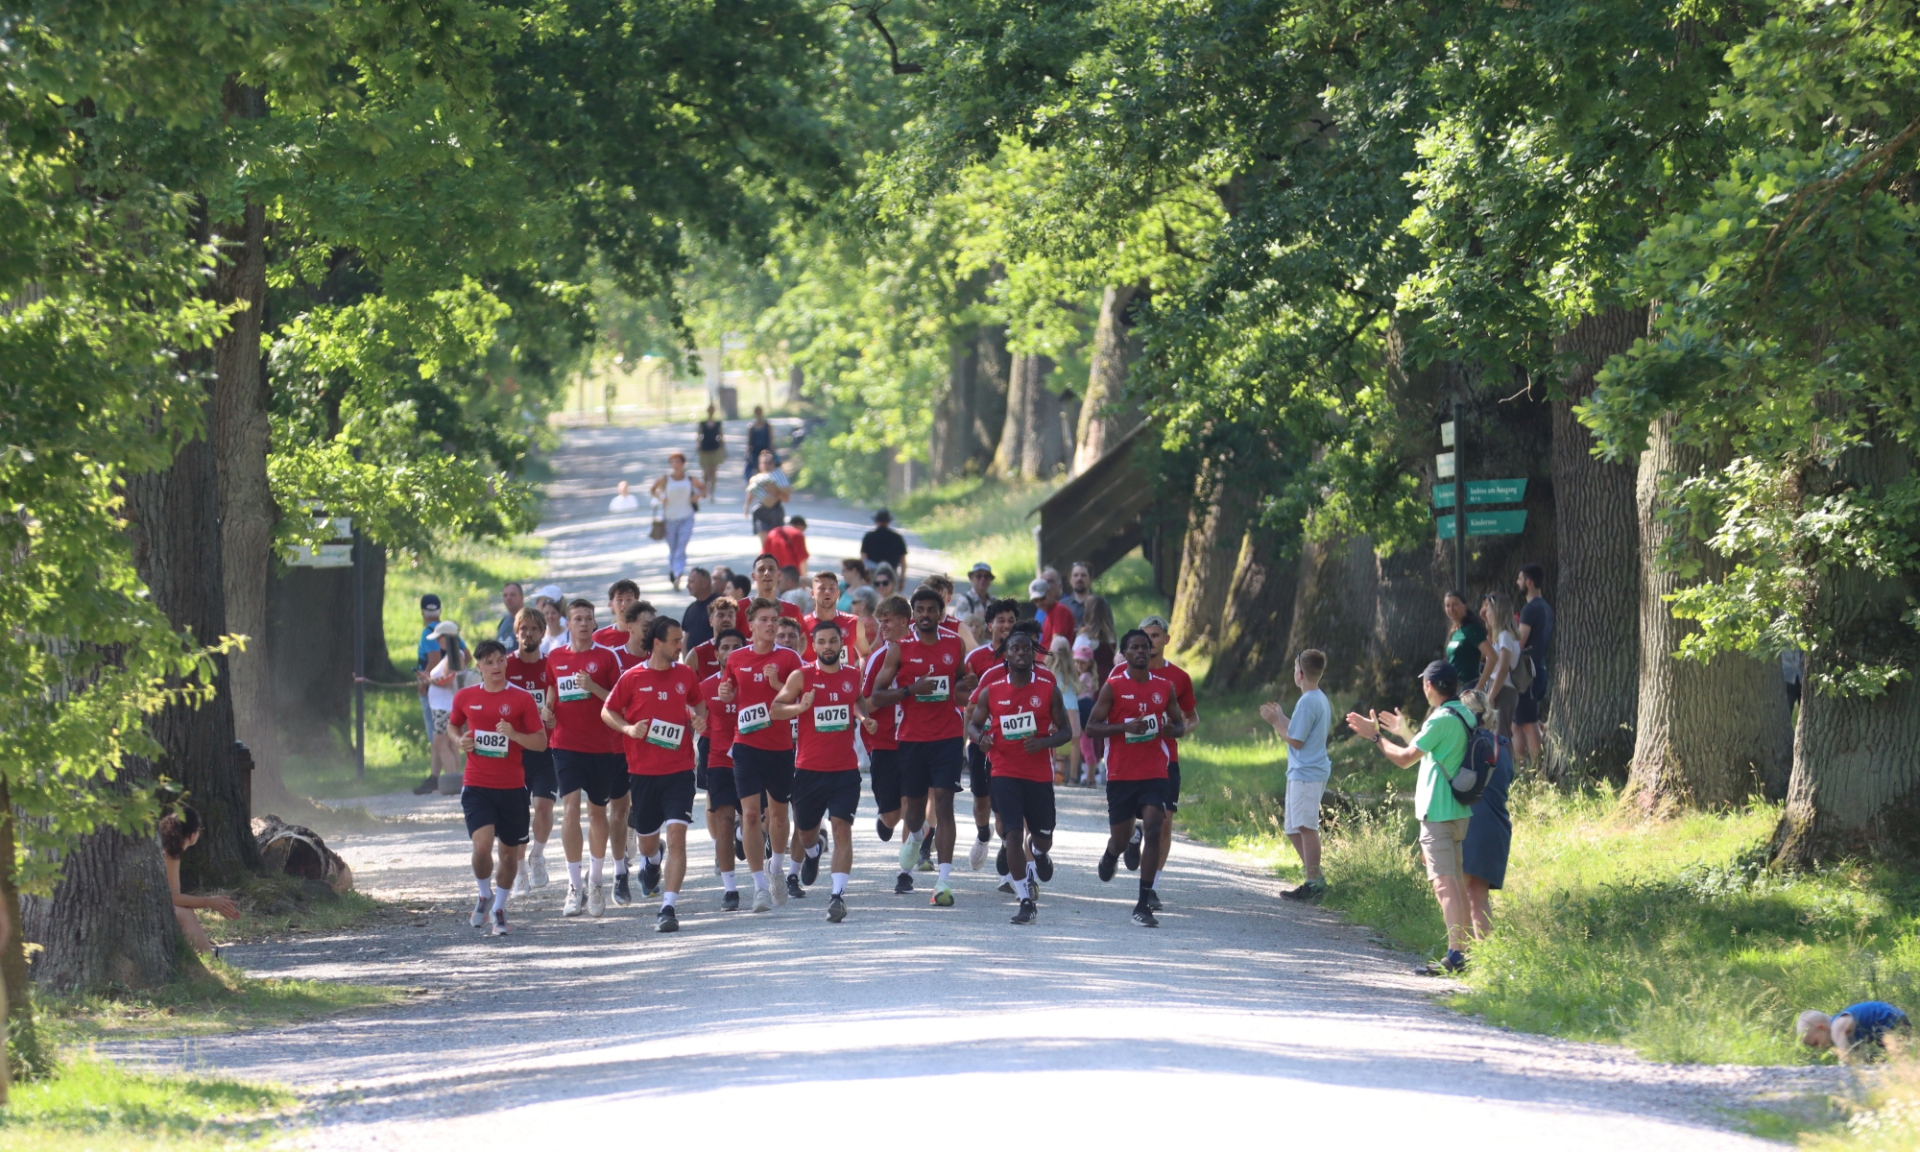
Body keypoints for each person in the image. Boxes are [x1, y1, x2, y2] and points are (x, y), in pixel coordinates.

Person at [1344, 660, 1479, 974]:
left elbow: (1405, 760)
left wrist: (1375, 737)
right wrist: (1404, 731)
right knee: (1456, 884)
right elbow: (1436, 750)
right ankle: (1466, 951)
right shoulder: (1465, 714)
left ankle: (1456, 955)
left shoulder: (1440, 719)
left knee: (1444, 885)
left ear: (1429, 686)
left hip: (1438, 813)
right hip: (1459, 812)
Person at [873, 586, 977, 906]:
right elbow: (877, 695)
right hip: (912, 739)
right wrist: (910, 690)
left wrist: (969, 687)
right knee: (915, 812)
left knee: (944, 803)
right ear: (913, 615)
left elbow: (959, 686)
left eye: (932, 609)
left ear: (940, 613)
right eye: (920, 610)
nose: (926, 615)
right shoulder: (899, 649)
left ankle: (943, 881)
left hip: (947, 737)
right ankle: (917, 837)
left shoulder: (954, 643)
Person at [602, 617, 706, 933]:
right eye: (675, 641)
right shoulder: (633, 677)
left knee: (677, 837)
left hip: (680, 771)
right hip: (643, 772)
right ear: (657, 643)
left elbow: (699, 705)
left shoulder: (685, 675)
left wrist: (699, 720)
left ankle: (668, 907)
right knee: (647, 843)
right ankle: (652, 857)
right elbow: (607, 711)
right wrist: (628, 729)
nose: (680, 646)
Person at [772, 618, 877, 921]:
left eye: (833, 641)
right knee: (805, 834)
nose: (828, 647)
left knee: (842, 828)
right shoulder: (801, 676)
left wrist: (863, 718)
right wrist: (799, 708)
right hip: (809, 770)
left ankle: (837, 896)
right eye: (822, 642)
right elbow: (775, 710)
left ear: (841, 644)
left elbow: (856, 699)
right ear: (813, 645)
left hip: (845, 770)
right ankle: (813, 851)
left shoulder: (852, 674)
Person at [967, 629, 1073, 925]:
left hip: (1038, 774)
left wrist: (1044, 742)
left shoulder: (1048, 690)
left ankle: (1038, 851)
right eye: (1015, 649)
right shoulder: (992, 690)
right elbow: (974, 726)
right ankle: (1025, 899)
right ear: (1006, 654)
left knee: (1043, 837)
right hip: (1004, 770)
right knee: (1012, 833)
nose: (1021, 653)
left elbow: (1066, 731)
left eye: (1026, 648)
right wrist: (981, 739)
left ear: (1033, 653)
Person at [449, 639, 548, 936]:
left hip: (513, 787)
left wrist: (515, 735)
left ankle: (500, 908)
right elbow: (453, 725)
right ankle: (484, 894)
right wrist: (460, 740)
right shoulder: (466, 696)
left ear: (506, 662)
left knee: (508, 854)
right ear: (478, 666)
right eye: (489, 662)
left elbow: (541, 742)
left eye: (500, 660)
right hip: (477, 784)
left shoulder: (521, 699)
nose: (496, 666)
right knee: (481, 846)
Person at [1086, 629, 1185, 927]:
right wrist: (1124, 727)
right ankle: (1112, 853)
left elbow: (1179, 725)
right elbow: (1091, 728)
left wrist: (1170, 729)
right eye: (1135, 647)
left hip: (1154, 771)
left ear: (1151, 650)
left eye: (1145, 646)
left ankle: (1143, 904)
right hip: (1121, 774)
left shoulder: (1165, 687)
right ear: (1125, 654)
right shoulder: (1113, 687)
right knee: (1120, 838)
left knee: (1154, 828)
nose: (1141, 651)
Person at [717, 598, 805, 913]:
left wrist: (777, 683)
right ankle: (758, 887)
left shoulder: (789, 657)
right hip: (746, 747)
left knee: (779, 817)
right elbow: (727, 689)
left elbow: (804, 697)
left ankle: (776, 868)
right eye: (764, 620)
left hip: (780, 748)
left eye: (774, 620)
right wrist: (725, 692)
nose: (770, 625)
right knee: (751, 815)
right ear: (751, 626)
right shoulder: (737, 658)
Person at [546, 598, 626, 918]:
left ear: (594, 623)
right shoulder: (555, 657)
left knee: (596, 814)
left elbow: (619, 701)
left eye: (587, 618)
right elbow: (552, 691)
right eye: (577, 618)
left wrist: (593, 686)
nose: (582, 623)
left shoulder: (606, 657)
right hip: (565, 744)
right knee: (569, 809)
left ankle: (595, 882)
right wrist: (547, 711)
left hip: (601, 747)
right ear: (567, 624)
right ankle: (574, 885)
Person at [1125, 616, 1196, 903]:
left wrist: (1179, 730)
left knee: (1164, 824)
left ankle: (1151, 885)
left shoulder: (1179, 677)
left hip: (1165, 759)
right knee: (1126, 818)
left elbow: (1192, 717)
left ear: (1166, 639)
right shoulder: (1121, 673)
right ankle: (1132, 836)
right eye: (1144, 636)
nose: (1149, 642)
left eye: (1155, 636)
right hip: (1130, 758)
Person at [1261, 650, 1331, 900]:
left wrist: (1274, 722)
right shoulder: (1314, 698)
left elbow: (1296, 740)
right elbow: (1299, 730)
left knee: (1305, 826)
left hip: (1307, 773)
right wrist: (1281, 717)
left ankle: (1313, 882)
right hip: (1302, 771)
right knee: (1293, 828)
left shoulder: (1309, 701)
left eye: (1294, 668)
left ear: (1300, 673)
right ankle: (1316, 877)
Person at [961, 598, 1021, 868]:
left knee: (1004, 800)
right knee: (981, 799)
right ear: (990, 626)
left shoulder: (1024, 657)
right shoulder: (975, 658)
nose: (1006, 625)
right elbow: (962, 698)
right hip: (981, 739)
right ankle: (983, 835)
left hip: (1010, 742)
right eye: (1001, 621)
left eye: (1011, 620)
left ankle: (1008, 846)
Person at [505, 607, 559, 893]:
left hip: (546, 749)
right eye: (523, 628)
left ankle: (537, 855)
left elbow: (562, 703)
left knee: (543, 808)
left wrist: (554, 717)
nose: (528, 634)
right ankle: (520, 869)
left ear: (542, 633)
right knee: (516, 813)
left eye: (534, 629)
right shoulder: (505, 665)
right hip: (514, 751)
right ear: (516, 632)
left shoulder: (551, 665)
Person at [1458, 687, 1514, 940]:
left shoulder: (1466, 745)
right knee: (1479, 896)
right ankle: (1484, 954)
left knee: (1457, 891)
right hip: (1497, 826)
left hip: (1471, 824)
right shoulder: (1502, 746)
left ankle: (1459, 950)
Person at [698, 628, 747, 910]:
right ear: (716, 654)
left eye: (736, 647)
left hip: (753, 759)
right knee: (725, 822)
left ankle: (745, 838)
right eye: (725, 647)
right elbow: (695, 719)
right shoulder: (705, 687)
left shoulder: (756, 683)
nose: (730, 652)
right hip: (719, 761)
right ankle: (730, 890)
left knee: (756, 820)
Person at [159, 806, 241, 954]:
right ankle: (209, 960)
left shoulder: (168, 851)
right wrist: (209, 902)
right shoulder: (170, 855)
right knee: (186, 914)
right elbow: (173, 898)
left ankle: (202, 957)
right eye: (199, 830)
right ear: (192, 836)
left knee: (185, 911)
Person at [1514, 564, 1554, 771]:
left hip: (1528, 673)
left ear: (1529, 582)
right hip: (1540, 669)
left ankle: (1538, 772)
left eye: (1520, 579)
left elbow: (1519, 643)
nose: (1517, 582)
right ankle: (1521, 770)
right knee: (1517, 723)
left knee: (1528, 723)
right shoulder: (1546, 607)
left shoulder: (1530, 609)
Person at [651, 451, 706, 590]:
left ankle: (678, 574)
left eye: (678, 461)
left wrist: (697, 496)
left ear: (683, 463)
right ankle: (673, 569)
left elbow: (703, 488)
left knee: (681, 547)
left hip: (687, 517)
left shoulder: (689, 479)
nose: (675, 464)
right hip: (669, 518)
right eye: (672, 462)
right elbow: (653, 489)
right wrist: (660, 497)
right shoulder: (665, 479)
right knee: (673, 548)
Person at [423, 621, 465, 796]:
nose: (437, 641)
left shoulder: (454, 656)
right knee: (449, 744)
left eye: (439, 637)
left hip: (444, 707)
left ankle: (453, 781)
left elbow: (448, 681)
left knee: (440, 743)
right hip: (444, 706)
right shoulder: (451, 656)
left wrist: (428, 680)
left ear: (447, 638)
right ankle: (456, 781)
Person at [1799, 1002, 1912, 1063]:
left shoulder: (1837, 1027)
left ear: (1822, 1028)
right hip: (1894, 1020)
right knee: (1887, 1060)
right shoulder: (1846, 1034)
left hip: (1891, 1021)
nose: (1818, 1048)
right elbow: (1860, 1057)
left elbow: (1845, 1054)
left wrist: (1845, 1065)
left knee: (1898, 1060)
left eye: (1815, 1043)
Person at [1480, 590, 1521, 738]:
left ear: (1497, 612)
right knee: (1493, 734)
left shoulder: (1505, 636)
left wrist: (1491, 696)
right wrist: (1486, 623)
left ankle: (1505, 757)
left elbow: (1503, 669)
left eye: (1489, 610)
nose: (1486, 613)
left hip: (1503, 689)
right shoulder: (1501, 635)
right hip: (1498, 687)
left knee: (1500, 736)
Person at [803, 570, 869, 661]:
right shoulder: (802, 624)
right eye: (822, 588)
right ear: (812, 594)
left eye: (831, 588)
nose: (827, 592)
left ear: (838, 594)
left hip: (845, 671)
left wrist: (861, 669)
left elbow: (865, 655)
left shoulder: (854, 622)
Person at [684, 596, 740, 682]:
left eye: (730, 615)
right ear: (711, 621)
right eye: (721, 615)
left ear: (735, 619)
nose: (726, 619)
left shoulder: (748, 648)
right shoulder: (696, 655)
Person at [1443, 589, 1490, 688]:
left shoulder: (1472, 628)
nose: (1451, 609)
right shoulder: (1456, 631)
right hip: (1455, 688)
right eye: (1447, 605)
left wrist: (1480, 685)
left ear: (1465, 606)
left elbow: (1492, 657)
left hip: (1470, 686)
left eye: (1455, 604)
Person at [744, 449, 791, 545]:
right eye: (764, 463)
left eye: (770, 463)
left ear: (774, 464)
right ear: (759, 464)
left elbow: (786, 499)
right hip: (761, 512)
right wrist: (746, 506)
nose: (767, 465)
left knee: (776, 543)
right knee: (764, 544)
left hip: (776, 512)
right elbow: (751, 493)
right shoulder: (754, 479)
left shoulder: (779, 479)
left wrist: (775, 490)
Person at [1029, 577, 1076, 655]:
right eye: (1036, 600)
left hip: (1054, 661)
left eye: (1042, 598)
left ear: (1050, 592)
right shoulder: (1049, 612)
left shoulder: (1059, 610)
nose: (1039, 603)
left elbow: (1057, 646)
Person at [1077, 594, 1118, 683]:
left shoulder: (1084, 637)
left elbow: (1076, 660)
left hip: (1090, 681)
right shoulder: (1112, 635)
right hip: (1110, 679)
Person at [861, 509, 908, 578]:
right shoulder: (897, 537)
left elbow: (863, 558)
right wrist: (902, 577)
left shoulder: (869, 536)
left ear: (876, 522)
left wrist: (862, 575)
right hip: (891, 572)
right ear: (888, 522)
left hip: (872, 571)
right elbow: (903, 560)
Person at [681, 568, 718, 649]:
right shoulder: (691, 609)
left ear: (704, 583)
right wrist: (686, 656)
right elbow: (686, 637)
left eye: (691, 582)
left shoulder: (720, 605)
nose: (687, 586)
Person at [697, 404, 727, 495]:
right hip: (704, 450)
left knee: (713, 473)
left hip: (715, 450)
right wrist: (698, 446)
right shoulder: (702, 424)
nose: (711, 411)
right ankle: (705, 490)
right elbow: (699, 436)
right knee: (706, 473)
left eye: (712, 410)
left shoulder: (718, 424)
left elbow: (721, 437)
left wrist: (724, 450)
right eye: (709, 410)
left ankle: (712, 493)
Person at [745, 405, 775, 482]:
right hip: (755, 451)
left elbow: (771, 439)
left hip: (766, 450)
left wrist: (772, 450)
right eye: (757, 413)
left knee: (767, 468)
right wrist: (747, 453)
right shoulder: (751, 427)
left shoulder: (767, 426)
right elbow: (749, 441)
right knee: (756, 469)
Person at [1064, 561, 1094, 625]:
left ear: (1090, 579)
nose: (1079, 578)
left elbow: (1108, 629)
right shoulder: (1062, 605)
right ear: (1070, 579)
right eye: (1075, 575)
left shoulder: (1100, 604)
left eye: (1083, 575)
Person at [496, 581, 525, 645]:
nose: (508, 598)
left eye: (512, 595)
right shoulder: (503, 622)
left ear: (521, 598)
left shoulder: (530, 621)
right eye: (505, 595)